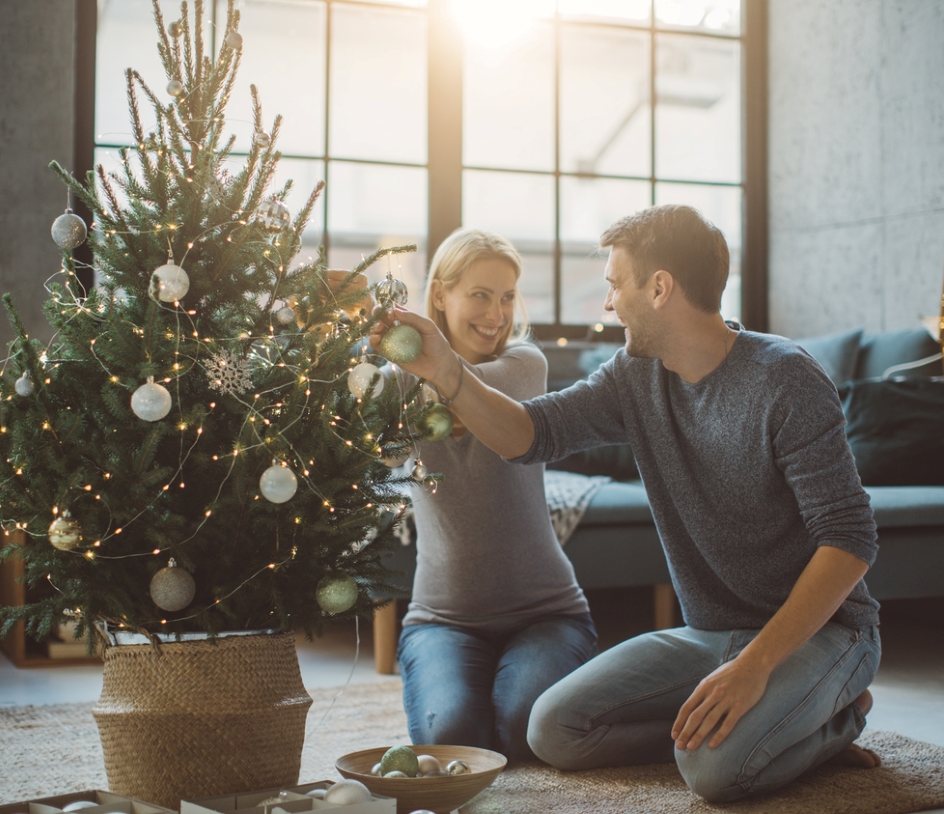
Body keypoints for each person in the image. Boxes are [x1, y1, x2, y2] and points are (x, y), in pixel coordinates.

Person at [372, 205, 881, 801]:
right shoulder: (635, 375)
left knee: (712, 774)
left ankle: (835, 718)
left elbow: (850, 539)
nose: (609, 304)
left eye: (615, 285)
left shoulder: (785, 378)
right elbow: (530, 435)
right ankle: (775, 722)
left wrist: (755, 668)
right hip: (711, 633)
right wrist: (444, 370)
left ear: (659, 288)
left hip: (823, 635)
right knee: (551, 729)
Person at [389, 227, 597, 762]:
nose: (496, 313)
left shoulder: (527, 367)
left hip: (548, 614)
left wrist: (412, 359)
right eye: (479, 294)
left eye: (506, 297)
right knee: (451, 740)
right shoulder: (396, 382)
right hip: (441, 620)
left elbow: (464, 394)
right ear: (440, 294)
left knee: (523, 730)